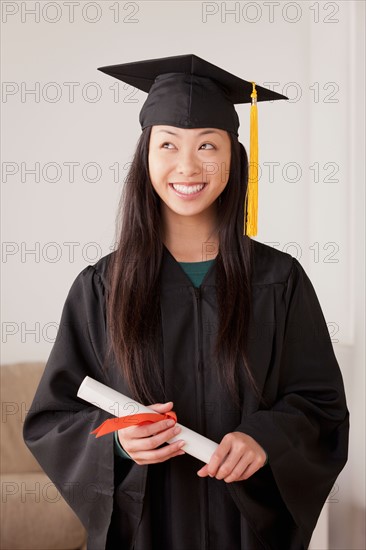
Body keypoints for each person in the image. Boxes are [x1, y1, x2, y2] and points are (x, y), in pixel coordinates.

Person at [23, 54, 349, 550]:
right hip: (145, 530)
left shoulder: (280, 281)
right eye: (168, 144)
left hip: (245, 528)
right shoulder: (102, 286)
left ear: (234, 158)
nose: (188, 166)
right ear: (145, 156)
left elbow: (320, 404)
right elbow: (52, 417)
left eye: (207, 145)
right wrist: (116, 441)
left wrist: (265, 437)